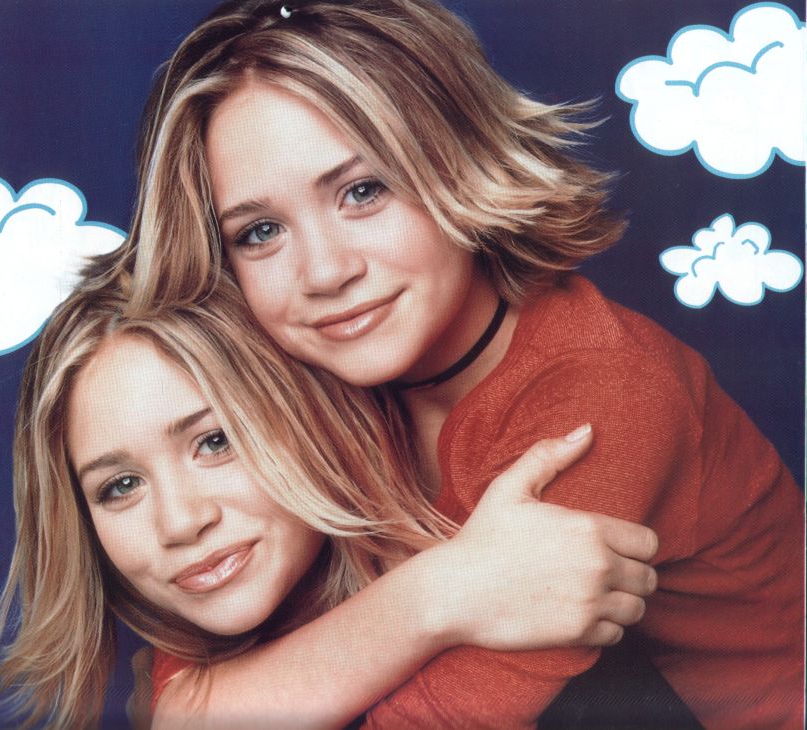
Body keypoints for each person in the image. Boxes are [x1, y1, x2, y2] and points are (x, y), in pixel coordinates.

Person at [120, 0, 805, 727]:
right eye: (260, 232)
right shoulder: (306, 384)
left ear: (456, 161)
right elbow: (186, 701)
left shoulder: (607, 391)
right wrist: (443, 593)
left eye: (362, 191)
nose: (324, 272)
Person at [0, 275, 658, 728]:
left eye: (216, 441)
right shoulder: (209, 623)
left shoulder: (515, 484)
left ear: (308, 413)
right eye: (119, 487)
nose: (180, 522)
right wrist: (443, 593)